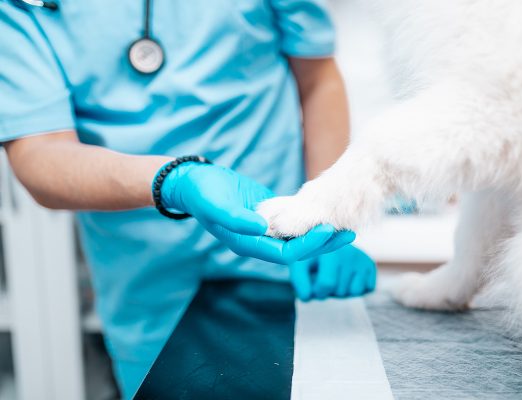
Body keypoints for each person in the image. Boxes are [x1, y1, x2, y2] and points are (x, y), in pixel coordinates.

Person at [0, 0, 376, 397]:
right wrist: (176, 180)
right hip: (146, 284)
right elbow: (40, 154)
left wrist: (330, 210)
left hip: (282, 255)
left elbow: (317, 78)